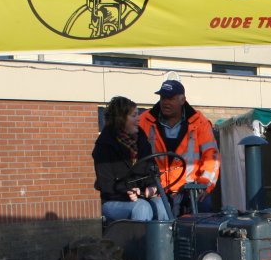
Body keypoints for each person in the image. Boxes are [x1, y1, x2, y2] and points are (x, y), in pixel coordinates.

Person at [138, 79, 219, 214]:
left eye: (170, 98)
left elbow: (211, 155)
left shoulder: (200, 122)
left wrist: (204, 184)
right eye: (163, 98)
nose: (165, 102)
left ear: (182, 100)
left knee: (204, 208)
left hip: (190, 189)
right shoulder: (144, 120)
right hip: (155, 189)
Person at [92, 96, 170, 222]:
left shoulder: (141, 139)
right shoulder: (105, 145)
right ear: (121, 118)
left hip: (141, 197)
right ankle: (137, 235)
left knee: (161, 204)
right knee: (142, 207)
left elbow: (152, 169)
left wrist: (152, 186)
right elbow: (106, 185)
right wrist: (127, 192)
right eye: (134, 115)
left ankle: (164, 235)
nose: (139, 118)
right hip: (114, 200)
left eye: (138, 114)